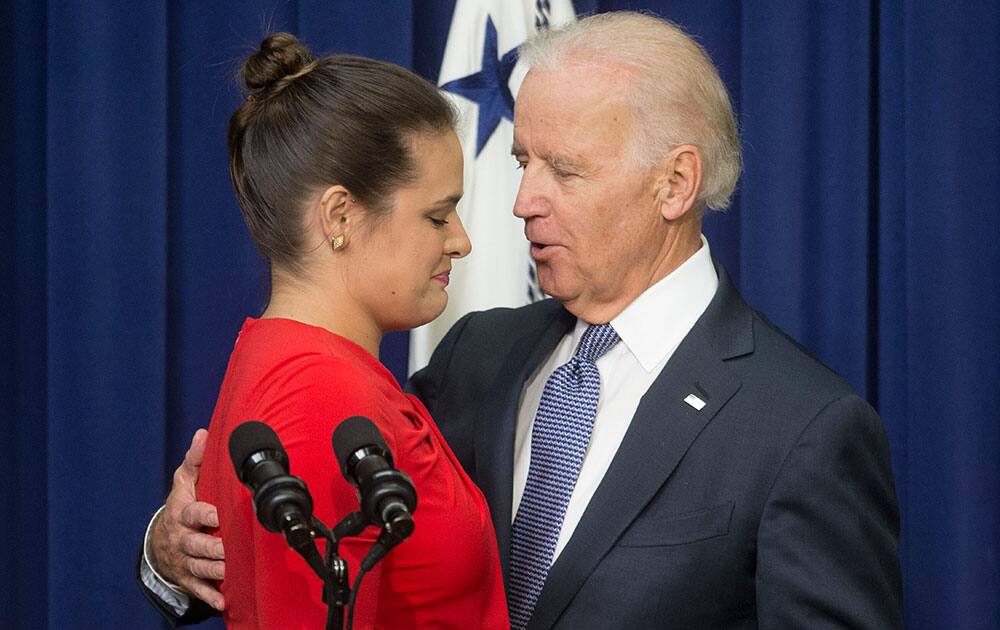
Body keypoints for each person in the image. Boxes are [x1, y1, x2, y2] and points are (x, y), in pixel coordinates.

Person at [140, 13, 903, 629]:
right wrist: (172, 554)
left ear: (675, 183)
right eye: (522, 162)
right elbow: (328, 514)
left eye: (563, 171)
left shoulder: (804, 429)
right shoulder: (479, 353)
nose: (520, 202)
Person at [144, 32, 511, 629]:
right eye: (437, 215)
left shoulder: (306, 365)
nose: (461, 241)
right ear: (340, 217)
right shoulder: (318, 395)